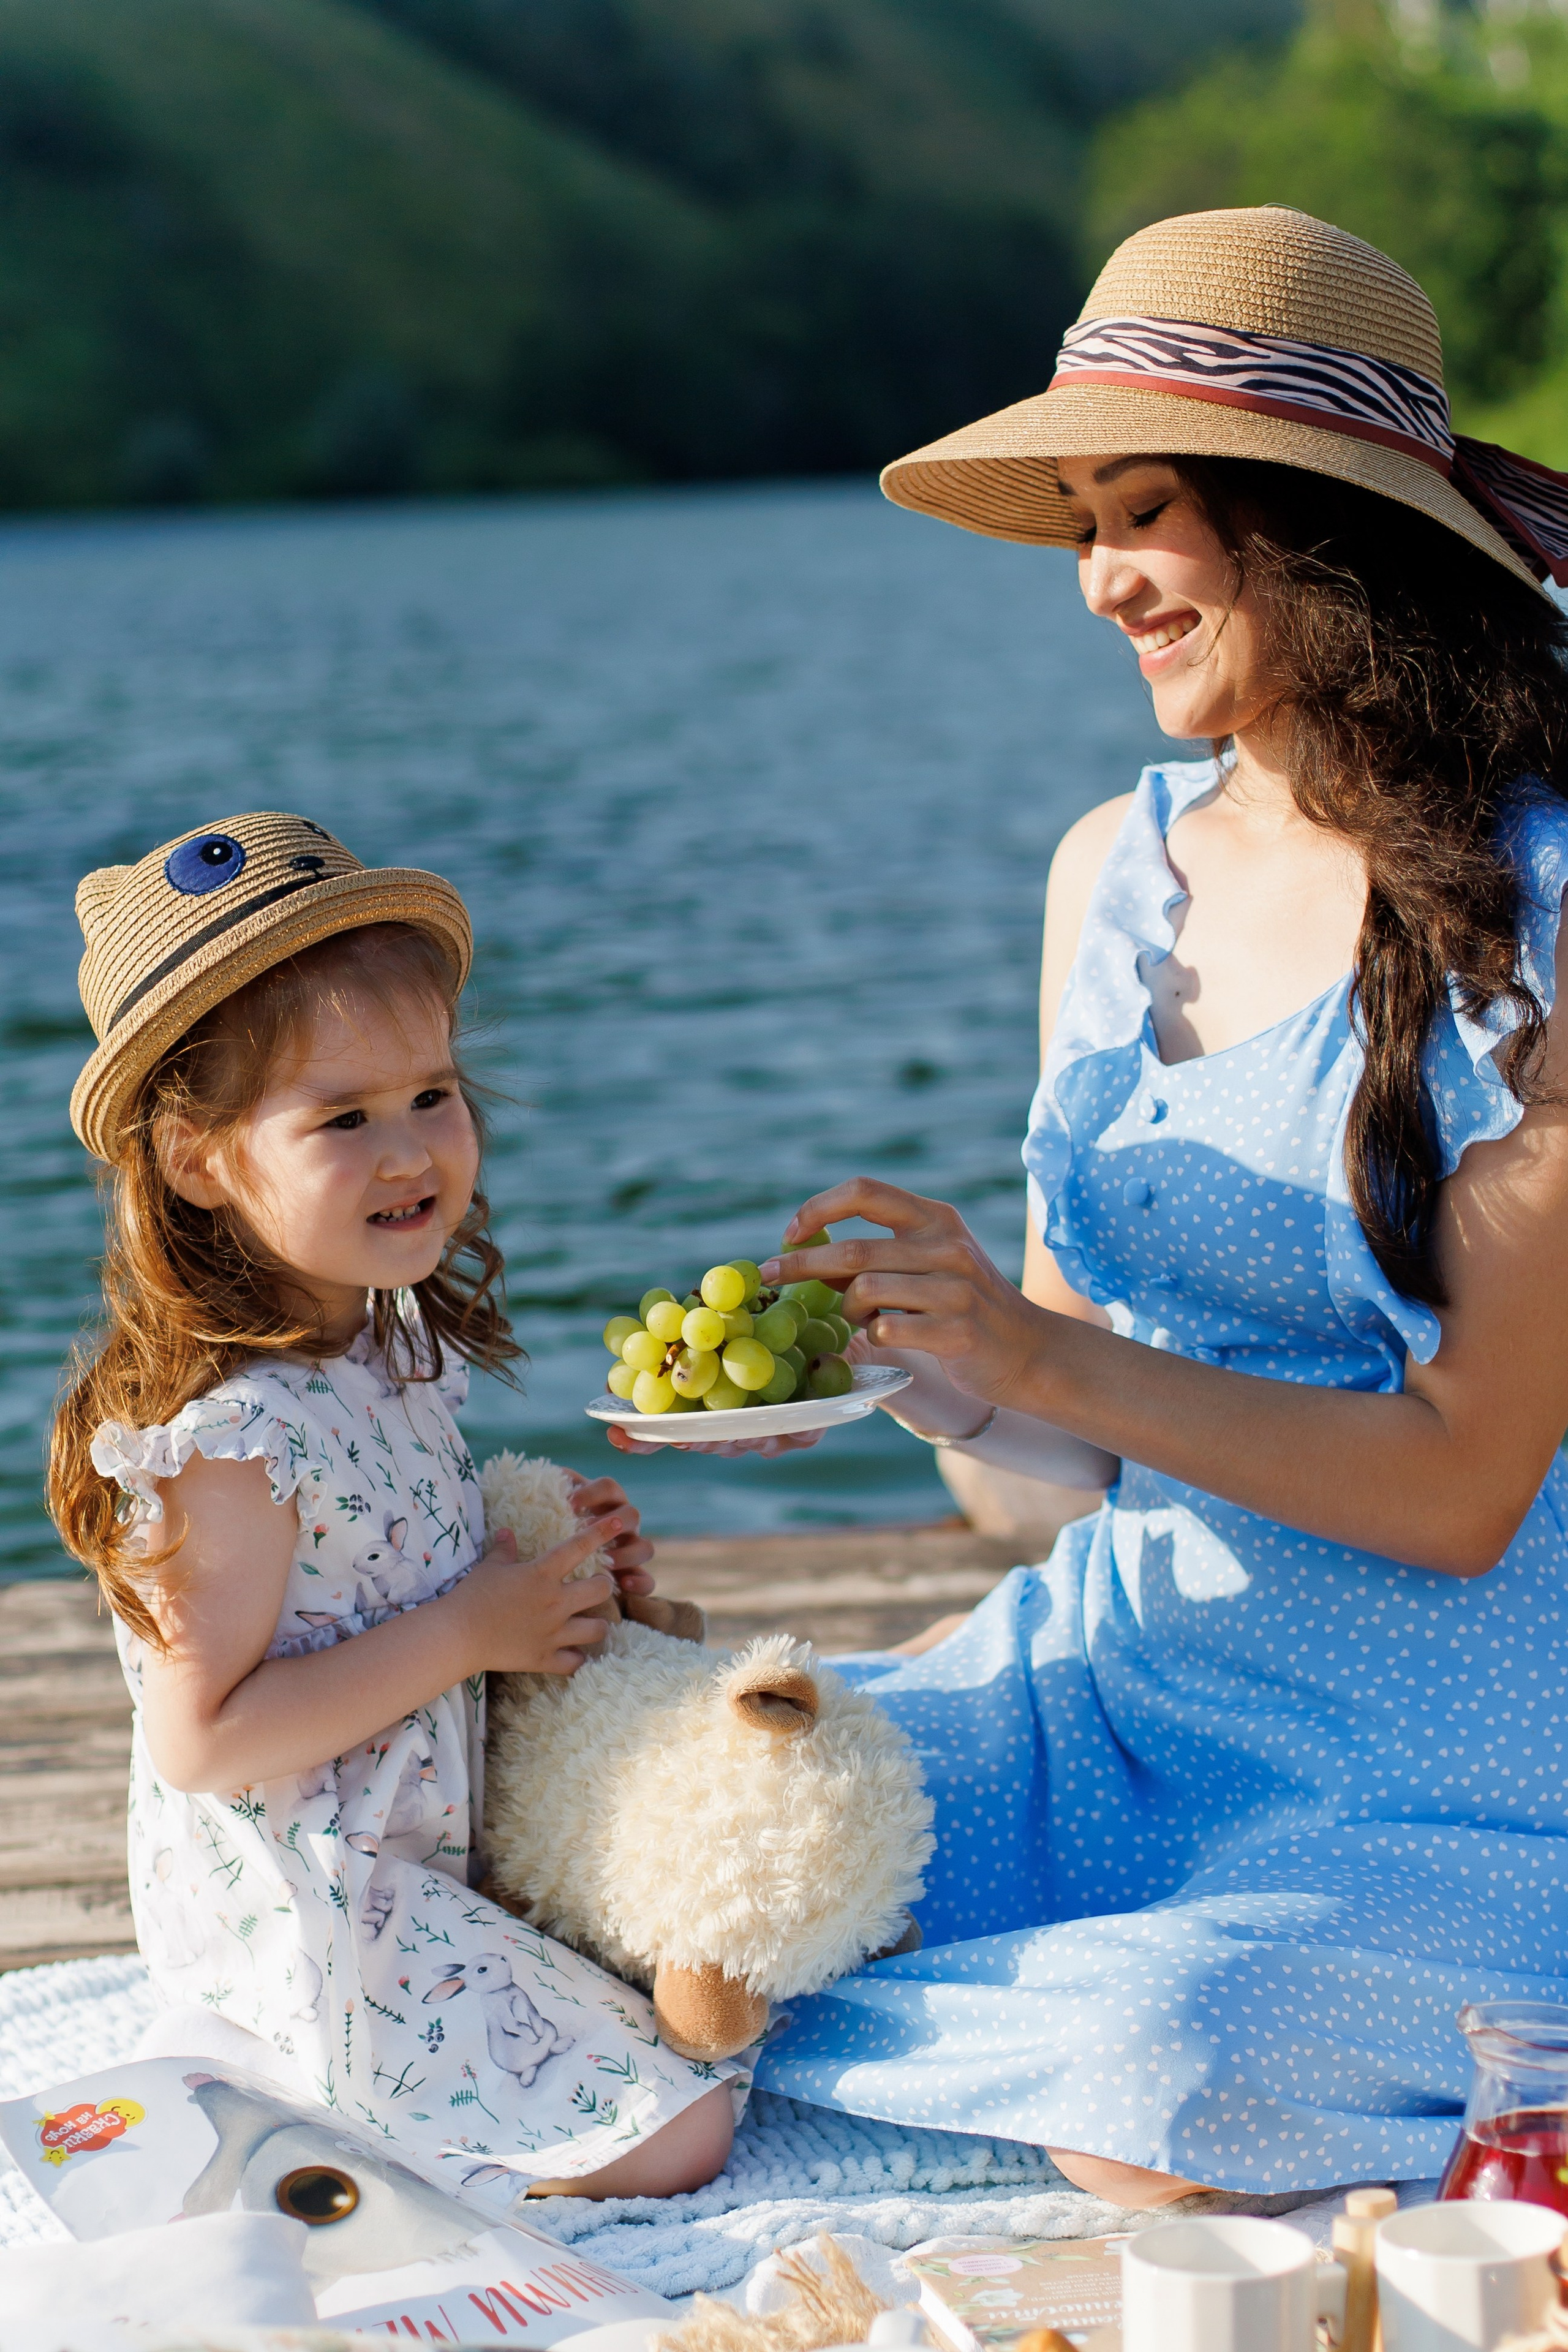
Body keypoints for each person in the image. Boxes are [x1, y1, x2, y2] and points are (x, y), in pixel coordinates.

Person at [742, 207, 1568, 2209]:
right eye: (1086, 522)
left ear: (1314, 520)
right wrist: (949, 1374)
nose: (1101, 580)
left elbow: (1467, 1490)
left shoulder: (1544, 895)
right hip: (1118, 1688)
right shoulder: (1105, 875)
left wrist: (1045, 1354)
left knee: (1160, 2070)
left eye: (1147, 516)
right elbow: (1051, 1489)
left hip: (1454, 1770)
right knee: (669, 1828)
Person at [48, 811, 737, 2204]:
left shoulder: (381, 1335)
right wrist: (473, 1628)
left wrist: (533, 1559)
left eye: (432, 1093)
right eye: (342, 1119)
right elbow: (204, 1739)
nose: (411, 1148)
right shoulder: (230, 1443)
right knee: (678, 2132)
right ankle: (281, 2092)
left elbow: (379, 1565)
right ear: (197, 1160)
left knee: (704, 2000)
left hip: (423, 1847)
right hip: (318, 1907)